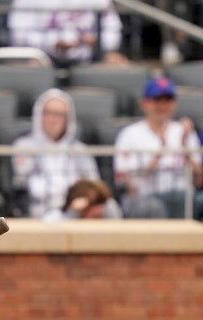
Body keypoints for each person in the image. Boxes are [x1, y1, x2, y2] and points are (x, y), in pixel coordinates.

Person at [114, 76, 203, 219]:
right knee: (152, 207)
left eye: (168, 100)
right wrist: (158, 155)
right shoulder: (129, 134)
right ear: (144, 103)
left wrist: (185, 150)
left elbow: (199, 180)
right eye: (157, 100)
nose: (163, 106)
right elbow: (125, 182)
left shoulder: (184, 131)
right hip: (146, 196)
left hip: (184, 196)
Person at [12, 88, 101, 220]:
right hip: (35, 214)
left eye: (59, 114)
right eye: (48, 113)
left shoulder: (80, 150)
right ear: (39, 115)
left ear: (68, 119)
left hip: (74, 214)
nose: (52, 119)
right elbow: (21, 185)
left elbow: (94, 185)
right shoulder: (23, 146)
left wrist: (84, 198)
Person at [8, 0, 128, 68]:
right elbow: (17, 34)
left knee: (117, 64)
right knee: (29, 66)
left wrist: (97, 41)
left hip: (89, 59)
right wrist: (52, 43)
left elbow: (114, 31)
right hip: (42, 58)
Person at [44, 178, 122, 222]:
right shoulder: (69, 214)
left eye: (100, 202)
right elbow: (49, 223)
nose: (99, 210)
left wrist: (110, 205)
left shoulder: (107, 210)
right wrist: (73, 213)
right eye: (93, 204)